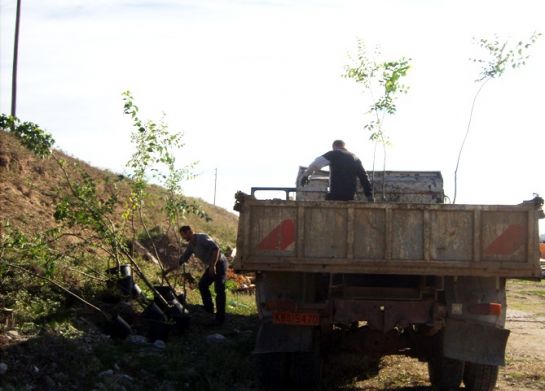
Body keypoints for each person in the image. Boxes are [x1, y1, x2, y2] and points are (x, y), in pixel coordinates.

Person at [165, 225, 228, 325]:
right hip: (212, 265)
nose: (183, 238)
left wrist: (212, 266)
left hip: (220, 263)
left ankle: (220, 318)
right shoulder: (191, 246)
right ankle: (209, 310)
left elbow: (216, 249)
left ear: (190, 231)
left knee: (219, 289)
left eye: (184, 235)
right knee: (202, 285)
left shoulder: (202, 238)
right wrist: (168, 271)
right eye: (182, 236)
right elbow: (182, 260)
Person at [300, 139, 374, 202]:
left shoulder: (333, 154)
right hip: (350, 196)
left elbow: (315, 164)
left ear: (334, 147)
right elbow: (364, 177)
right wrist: (369, 195)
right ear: (344, 147)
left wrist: (306, 176)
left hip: (335, 195)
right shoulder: (355, 157)